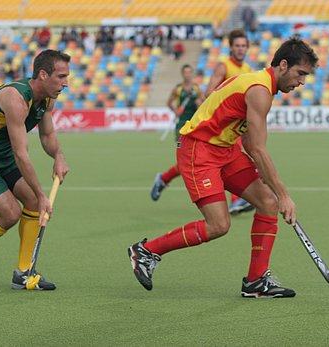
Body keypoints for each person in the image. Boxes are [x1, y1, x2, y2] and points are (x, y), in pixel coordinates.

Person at [128, 37, 318, 298]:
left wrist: (268, 183)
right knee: (218, 224)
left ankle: (256, 281)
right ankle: (147, 250)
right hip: (199, 149)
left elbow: (251, 142)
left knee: (267, 202)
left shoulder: (263, 86)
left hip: (225, 149)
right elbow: (260, 148)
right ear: (283, 65)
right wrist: (284, 194)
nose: (302, 82)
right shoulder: (260, 90)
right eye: (300, 74)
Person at [0, 49, 71, 290]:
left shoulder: (48, 98)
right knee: (10, 213)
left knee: (30, 203)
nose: (65, 83)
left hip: (2, 155)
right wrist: (42, 195)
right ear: (42, 74)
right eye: (60, 76)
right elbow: (21, 154)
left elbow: (47, 134)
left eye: (66, 77)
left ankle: (23, 273)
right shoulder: (16, 98)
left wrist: (58, 156)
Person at [205, 28, 253, 215]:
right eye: (237, 46)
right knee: (228, 157)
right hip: (220, 124)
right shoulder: (223, 66)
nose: (240, 49)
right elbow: (209, 92)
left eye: (243, 46)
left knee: (232, 157)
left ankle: (236, 199)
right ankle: (236, 199)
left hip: (236, 125)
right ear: (231, 48)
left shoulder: (248, 70)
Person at [150, 64, 204, 201]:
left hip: (194, 125)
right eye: (185, 72)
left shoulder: (196, 89)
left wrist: (199, 103)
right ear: (182, 74)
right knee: (187, 159)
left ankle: (163, 179)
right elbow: (169, 102)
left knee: (193, 160)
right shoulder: (178, 89)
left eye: (190, 72)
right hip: (181, 125)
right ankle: (163, 179)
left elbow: (203, 104)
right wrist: (175, 111)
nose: (188, 75)